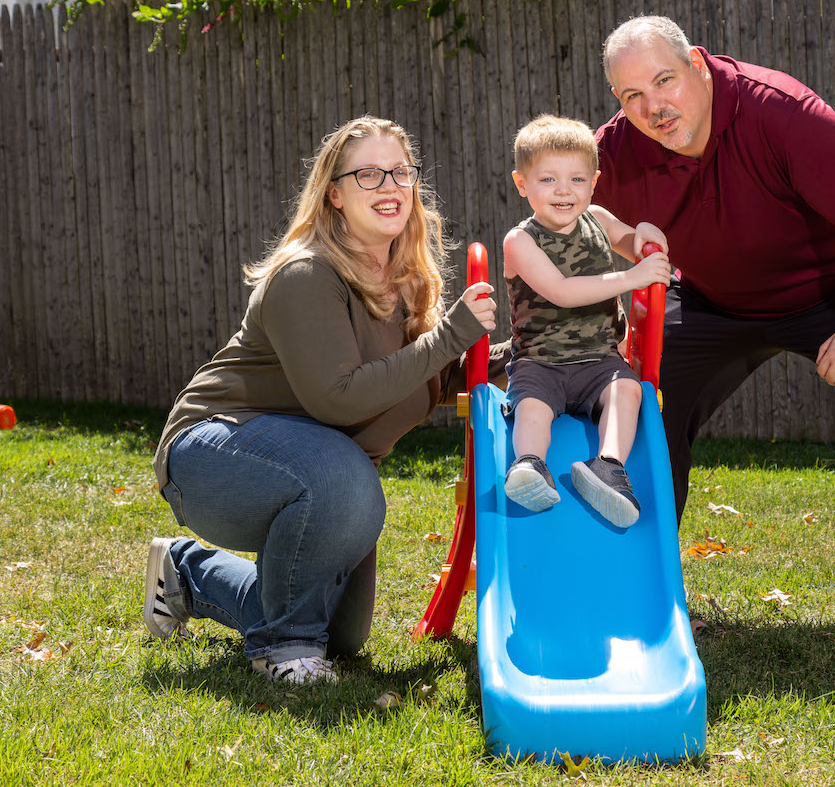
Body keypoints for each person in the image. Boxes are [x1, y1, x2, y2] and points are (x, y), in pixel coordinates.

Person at [592, 16, 835, 640]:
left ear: (699, 67)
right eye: (632, 96)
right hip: (714, 298)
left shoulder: (776, 109)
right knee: (642, 399)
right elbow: (569, 202)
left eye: (664, 82)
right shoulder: (618, 146)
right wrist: (626, 237)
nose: (653, 107)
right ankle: (643, 588)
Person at [145, 116, 497, 684]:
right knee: (343, 485)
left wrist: (505, 357)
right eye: (369, 175)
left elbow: (416, 379)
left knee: (342, 634)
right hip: (215, 452)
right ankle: (282, 652)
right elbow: (339, 400)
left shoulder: (404, 280)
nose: (390, 185)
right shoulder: (307, 273)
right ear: (334, 194)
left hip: (324, 467)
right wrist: (448, 338)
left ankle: (188, 573)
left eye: (401, 172)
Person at [501, 114, 672, 528]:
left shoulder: (598, 218)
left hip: (599, 360)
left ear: (593, 183)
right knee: (533, 406)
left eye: (577, 180)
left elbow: (632, 243)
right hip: (541, 360)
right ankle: (531, 465)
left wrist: (647, 236)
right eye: (548, 180)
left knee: (628, 390)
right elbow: (561, 289)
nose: (564, 191)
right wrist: (632, 277)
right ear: (522, 184)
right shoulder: (520, 241)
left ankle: (608, 466)